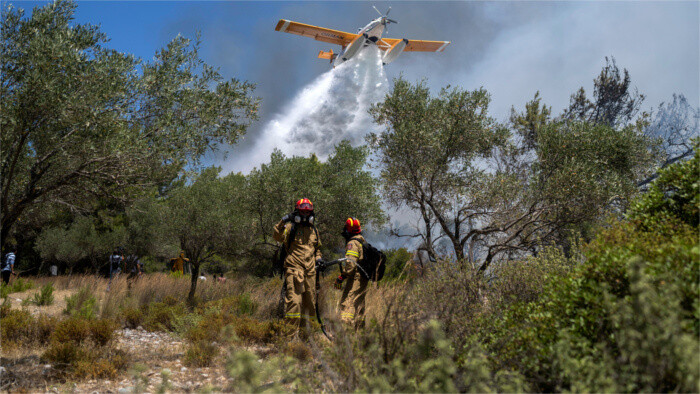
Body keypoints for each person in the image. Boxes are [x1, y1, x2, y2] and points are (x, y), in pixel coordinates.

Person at [273, 198, 323, 337]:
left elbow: (317, 248)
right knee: (294, 303)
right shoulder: (290, 228)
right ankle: (289, 338)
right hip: (294, 269)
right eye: (302, 212)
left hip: (310, 272)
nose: (305, 216)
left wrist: (319, 259)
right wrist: (284, 220)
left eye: (308, 213)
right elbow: (276, 236)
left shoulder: (314, 230)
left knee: (310, 305)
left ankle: (307, 338)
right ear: (297, 212)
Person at [335, 217, 369, 329]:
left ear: (349, 230)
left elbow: (351, 264)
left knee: (348, 302)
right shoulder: (361, 241)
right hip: (362, 278)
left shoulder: (353, 243)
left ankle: (345, 328)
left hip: (356, 278)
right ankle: (360, 331)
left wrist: (342, 276)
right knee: (359, 304)